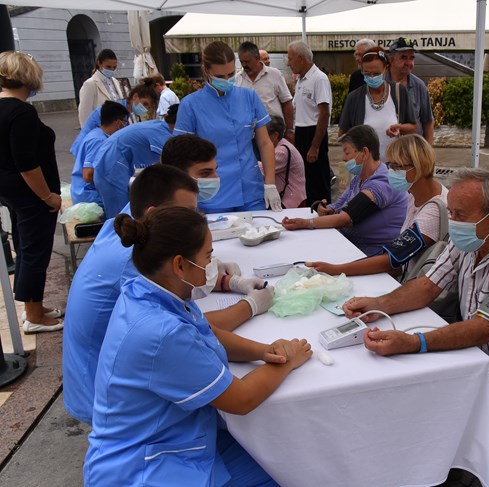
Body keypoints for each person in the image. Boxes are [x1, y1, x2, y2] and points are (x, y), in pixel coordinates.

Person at [342, 168, 489, 487]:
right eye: (451, 211)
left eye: (459, 213)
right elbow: (427, 286)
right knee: (422, 412)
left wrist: (413, 342)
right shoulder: (472, 235)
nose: (452, 220)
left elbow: (485, 327)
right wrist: (378, 303)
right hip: (482, 361)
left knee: (484, 436)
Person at [83, 205, 311, 485]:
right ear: (179, 265)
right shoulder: (161, 333)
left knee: (282, 453)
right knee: (295, 471)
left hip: (170, 438)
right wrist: (288, 360)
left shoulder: (147, 290)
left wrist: (262, 351)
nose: (212, 264)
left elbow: (206, 331)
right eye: (208, 256)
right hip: (145, 469)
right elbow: (242, 399)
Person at [63, 165, 274, 426]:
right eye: (208, 257)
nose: (192, 221)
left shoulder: (136, 236)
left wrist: (228, 282)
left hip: (125, 386)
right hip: (115, 403)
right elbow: (240, 398)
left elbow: (195, 323)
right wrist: (250, 306)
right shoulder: (133, 269)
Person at [307, 134, 446, 276]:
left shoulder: (433, 211)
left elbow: (393, 259)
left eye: (397, 166)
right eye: (390, 165)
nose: (391, 171)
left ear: (419, 167)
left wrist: (335, 270)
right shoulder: (415, 194)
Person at [175, 41, 281, 213]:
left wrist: (270, 183)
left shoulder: (249, 97)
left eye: (231, 74)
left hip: (250, 188)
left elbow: (265, 143)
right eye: (220, 76)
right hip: (213, 192)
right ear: (206, 71)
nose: (226, 80)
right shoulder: (190, 105)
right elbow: (179, 155)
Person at [0, 51, 63, 334]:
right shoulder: (21, 111)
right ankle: (34, 315)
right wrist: (47, 196)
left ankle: (33, 304)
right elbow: (26, 162)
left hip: (11, 191)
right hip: (29, 194)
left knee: (26, 248)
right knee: (35, 250)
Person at [282, 125, 407, 257]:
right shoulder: (359, 179)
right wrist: (326, 208)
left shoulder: (382, 183)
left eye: (347, 152)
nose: (343, 158)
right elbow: (340, 205)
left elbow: (346, 218)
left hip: (373, 254)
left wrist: (306, 223)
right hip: (353, 246)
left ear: (364, 153)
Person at [339, 47, 417, 162]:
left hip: (395, 166)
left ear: (386, 69)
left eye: (376, 74)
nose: (371, 77)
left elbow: (413, 127)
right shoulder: (354, 98)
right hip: (365, 169)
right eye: (367, 73)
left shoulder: (399, 92)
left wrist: (399, 128)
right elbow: (342, 134)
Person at [93, 110, 176, 217]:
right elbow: (172, 166)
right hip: (111, 167)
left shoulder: (159, 126)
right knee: (121, 216)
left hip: (110, 163)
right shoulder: (162, 134)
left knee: (123, 211)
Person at [287, 40, 333, 205]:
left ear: (300, 58)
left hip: (314, 134)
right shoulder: (301, 80)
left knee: (317, 181)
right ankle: (309, 213)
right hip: (301, 132)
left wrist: (315, 146)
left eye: (290, 58)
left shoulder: (318, 78)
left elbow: (324, 113)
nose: (288, 63)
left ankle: (323, 214)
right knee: (305, 180)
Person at [70, 77, 159, 158]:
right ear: (135, 96)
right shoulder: (115, 112)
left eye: (149, 107)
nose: (145, 109)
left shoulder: (124, 113)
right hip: (87, 151)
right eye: (145, 104)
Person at [70, 101, 129, 207]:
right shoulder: (99, 141)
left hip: (84, 192)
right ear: (119, 123)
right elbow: (88, 175)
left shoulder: (97, 133)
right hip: (89, 197)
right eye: (125, 123)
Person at [235, 41, 294, 141]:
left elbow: (286, 103)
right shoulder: (237, 79)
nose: (244, 65)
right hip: (248, 137)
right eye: (242, 62)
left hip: (274, 135)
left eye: (248, 61)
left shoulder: (274, 74)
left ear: (257, 58)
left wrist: (289, 130)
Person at [386, 37, 435, 145]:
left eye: (411, 58)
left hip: (413, 152)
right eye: (403, 57)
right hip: (385, 152)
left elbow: (428, 121)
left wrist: (428, 153)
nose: (409, 62)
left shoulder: (419, 86)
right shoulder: (380, 83)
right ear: (391, 59)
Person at [160, 133, 221, 204]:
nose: (216, 178)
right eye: (205, 173)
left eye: (215, 170)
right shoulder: (160, 213)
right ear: (177, 175)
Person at [265, 115, 306, 209]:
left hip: (291, 201)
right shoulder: (284, 144)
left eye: (264, 134)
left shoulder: (282, 152)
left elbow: (264, 169)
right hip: (294, 197)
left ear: (275, 135)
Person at [78, 49, 124, 127]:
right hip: (100, 129)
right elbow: (84, 114)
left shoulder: (116, 82)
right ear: (99, 63)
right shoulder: (90, 84)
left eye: (114, 67)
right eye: (108, 67)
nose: (112, 70)